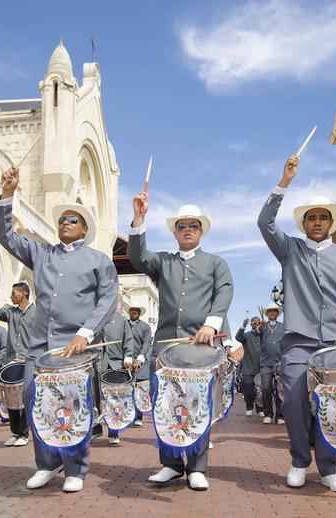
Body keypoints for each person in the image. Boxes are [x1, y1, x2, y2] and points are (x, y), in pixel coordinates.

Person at [0, 164, 118, 494]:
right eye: (63, 219)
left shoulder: (98, 260)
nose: (65, 223)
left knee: (72, 404)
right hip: (39, 346)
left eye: (73, 220)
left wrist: (86, 333)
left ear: (84, 230)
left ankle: (75, 468)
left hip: (74, 347)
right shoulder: (42, 253)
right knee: (33, 398)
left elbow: (108, 299)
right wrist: (7, 196)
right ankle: (47, 464)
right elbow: (5, 236)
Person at [257, 154, 336, 493]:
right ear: (303, 224)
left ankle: (329, 466)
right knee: (293, 400)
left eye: (323, 217)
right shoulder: (290, 250)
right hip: (298, 340)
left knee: (334, 403)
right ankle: (298, 460)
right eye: (312, 218)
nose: (318, 222)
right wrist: (284, 182)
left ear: (331, 223)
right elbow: (264, 223)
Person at [129, 193, 233, 492]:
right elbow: (137, 257)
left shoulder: (216, 263)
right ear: (175, 232)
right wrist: (139, 218)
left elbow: (224, 292)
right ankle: (171, 465)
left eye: (194, 225)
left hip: (200, 349)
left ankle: (197, 467)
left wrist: (210, 325)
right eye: (182, 225)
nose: (188, 229)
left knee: (197, 406)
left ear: (201, 231)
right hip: (164, 348)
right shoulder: (163, 261)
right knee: (165, 407)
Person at [0, 278, 35, 447]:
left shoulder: (37, 313)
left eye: (14, 294)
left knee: (24, 398)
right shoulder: (11, 313)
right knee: (11, 397)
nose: (11, 297)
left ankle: (23, 433)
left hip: (27, 362)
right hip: (11, 361)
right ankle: (15, 433)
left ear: (23, 294)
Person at [101, 303, 136, 444]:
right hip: (99, 364)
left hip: (115, 365)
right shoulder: (95, 318)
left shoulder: (121, 320)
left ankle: (113, 432)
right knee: (96, 398)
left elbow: (128, 340)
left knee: (114, 399)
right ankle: (94, 428)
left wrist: (128, 357)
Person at [258, 303, 285, 425]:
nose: (272, 313)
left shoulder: (283, 327)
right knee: (266, 388)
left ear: (277, 313)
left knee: (280, 390)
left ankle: (280, 416)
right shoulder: (263, 326)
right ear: (267, 314)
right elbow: (256, 334)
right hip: (265, 362)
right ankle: (268, 413)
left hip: (280, 362)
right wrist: (260, 328)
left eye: (275, 311)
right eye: (270, 311)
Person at [126, 303, 152, 426]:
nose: (134, 312)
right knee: (127, 390)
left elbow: (146, 344)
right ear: (129, 312)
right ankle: (127, 416)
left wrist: (139, 359)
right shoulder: (123, 325)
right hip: (125, 362)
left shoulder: (145, 327)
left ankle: (138, 417)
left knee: (140, 390)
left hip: (140, 363)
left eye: (137, 310)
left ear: (140, 313)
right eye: (132, 310)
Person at [235, 317, 263, 417]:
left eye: (259, 323)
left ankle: (260, 409)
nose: (257, 324)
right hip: (248, 368)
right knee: (248, 388)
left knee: (261, 390)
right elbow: (238, 337)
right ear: (251, 324)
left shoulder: (264, 335)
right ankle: (250, 407)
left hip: (261, 368)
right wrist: (243, 325)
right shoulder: (247, 336)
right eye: (255, 323)